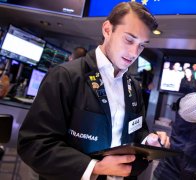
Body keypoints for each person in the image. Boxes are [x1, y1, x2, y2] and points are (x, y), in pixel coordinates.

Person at [17, 2, 169, 180]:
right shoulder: (66, 76)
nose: (135, 52)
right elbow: (33, 143)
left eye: (142, 45)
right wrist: (94, 167)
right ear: (107, 30)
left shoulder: (133, 86)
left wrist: (148, 140)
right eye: (129, 40)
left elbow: (136, 130)